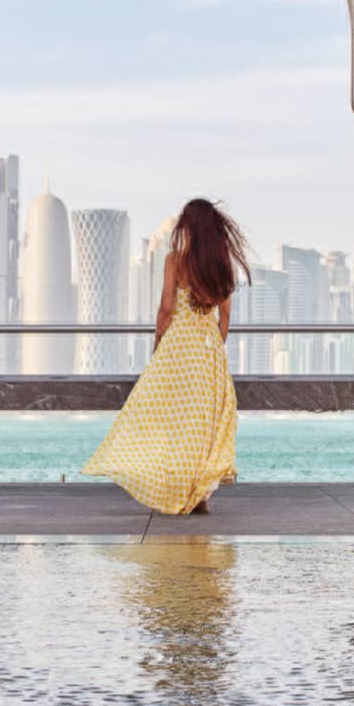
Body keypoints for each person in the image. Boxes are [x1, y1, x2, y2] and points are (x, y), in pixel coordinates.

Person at [82, 198, 249, 516]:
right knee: (204, 423)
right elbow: (224, 318)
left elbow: (166, 309)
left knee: (168, 419)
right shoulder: (222, 263)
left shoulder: (176, 260)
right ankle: (199, 494)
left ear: (189, 227)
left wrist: (158, 347)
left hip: (178, 348)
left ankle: (169, 485)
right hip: (209, 350)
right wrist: (215, 348)